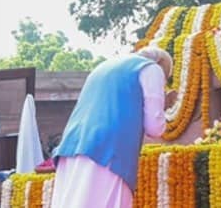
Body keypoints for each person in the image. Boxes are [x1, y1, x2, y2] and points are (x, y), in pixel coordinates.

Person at [50, 47, 176, 208]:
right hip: (108, 153)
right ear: (160, 63)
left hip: (71, 147)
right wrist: (164, 104)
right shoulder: (151, 68)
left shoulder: (102, 67)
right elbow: (154, 127)